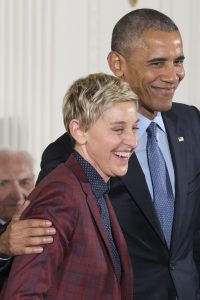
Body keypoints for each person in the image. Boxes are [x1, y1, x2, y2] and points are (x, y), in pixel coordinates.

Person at [1, 8, 200, 300]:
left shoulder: (192, 123)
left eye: (178, 61)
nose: (173, 75)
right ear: (117, 63)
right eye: (157, 62)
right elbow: (34, 267)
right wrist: (3, 247)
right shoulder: (65, 156)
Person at [2, 73, 138, 299]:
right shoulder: (60, 195)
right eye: (118, 129)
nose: (132, 141)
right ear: (79, 130)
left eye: (134, 128)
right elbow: (23, 294)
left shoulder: (94, 186)